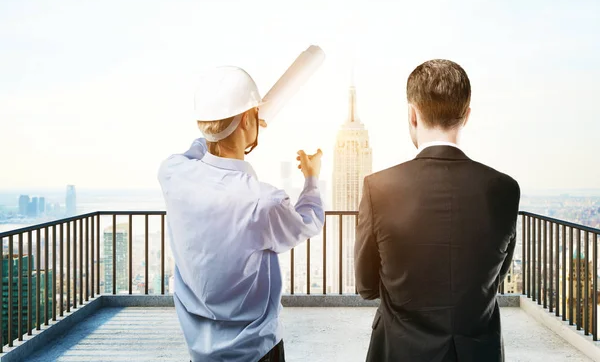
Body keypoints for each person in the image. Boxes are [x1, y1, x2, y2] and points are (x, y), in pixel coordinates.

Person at [354, 59, 520, 362]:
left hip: (399, 351)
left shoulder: (378, 188)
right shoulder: (505, 189)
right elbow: (495, 276)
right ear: (466, 115)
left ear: (412, 114)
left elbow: (366, 285)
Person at [158, 66, 324, 362]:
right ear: (248, 118)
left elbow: (200, 147)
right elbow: (308, 223)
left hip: (199, 351)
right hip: (255, 350)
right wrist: (311, 179)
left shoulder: (172, 173)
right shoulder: (262, 201)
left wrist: (239, 127)